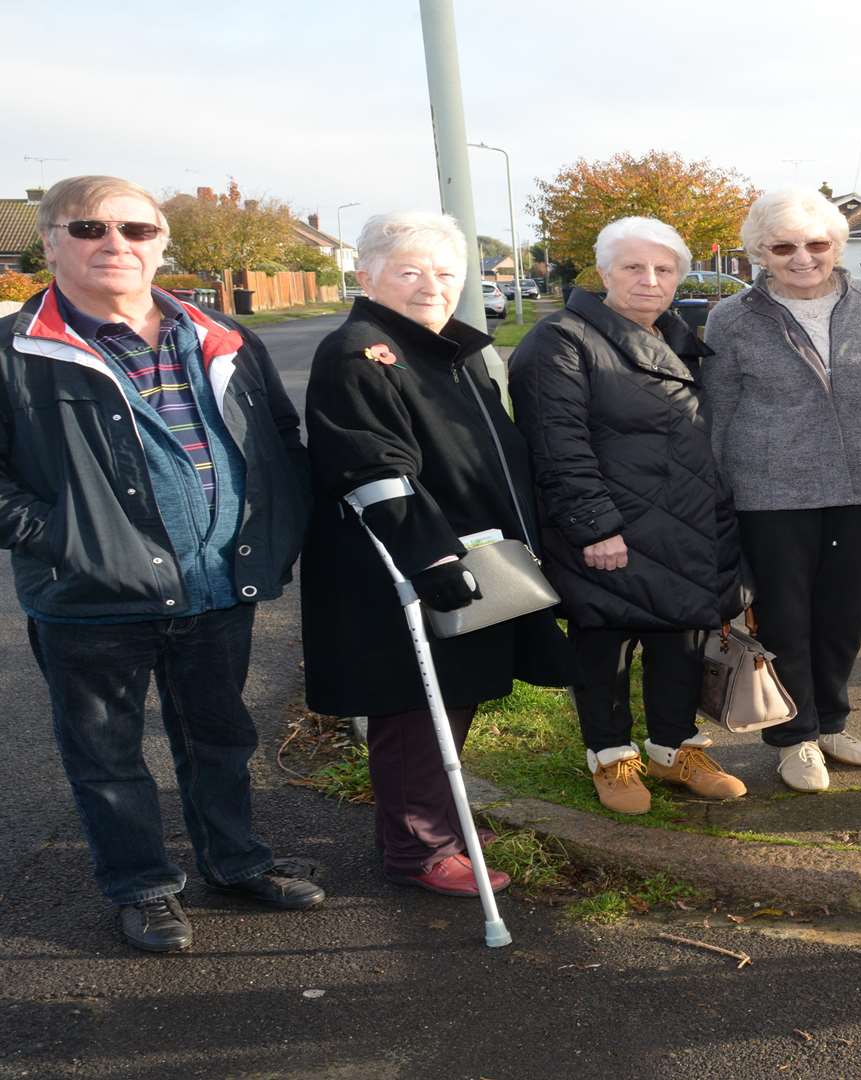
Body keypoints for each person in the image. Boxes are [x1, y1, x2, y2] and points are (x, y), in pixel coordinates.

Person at [0, 175, 322, 953]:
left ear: (161, 244)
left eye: (138, 230)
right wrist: (67, 537)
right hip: (89, 597)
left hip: (217, 585)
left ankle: (236, 862)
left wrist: (273, 533)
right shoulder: (18, 351)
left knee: (219, 738)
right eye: (89, 229)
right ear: (48, 242)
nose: (117, 244)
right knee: (108, 755)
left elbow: (278, 443)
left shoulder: (217, 336)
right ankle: (142, 886)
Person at [303, 211, 573, 894]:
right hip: (413, 568)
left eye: (446, 272)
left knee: (454, 699)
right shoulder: (361, 351)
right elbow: (373, 466)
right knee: (413, 707)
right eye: (410, 270)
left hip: (474, 557)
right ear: (366, 276)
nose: (432, 285)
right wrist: (432, 561)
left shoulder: (441, 348)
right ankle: (417, 850)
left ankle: (439, 822)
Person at [510, 217, 749, 812]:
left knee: (682, 640)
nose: (649, 280)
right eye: (633, 267)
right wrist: (595, 528)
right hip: (611, 526)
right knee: (605, 644)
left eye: (664, 269)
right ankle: (611, 757)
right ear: (603, 272)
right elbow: (556, 444)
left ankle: (674, 749)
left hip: (689, 523)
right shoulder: (561, 340)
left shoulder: (680, 335)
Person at [704, 189, 861, 792]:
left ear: (837, 245)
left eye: (817, 244)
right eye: (784, 247)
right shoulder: (732, 320)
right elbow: (717, 415)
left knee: (845, 615)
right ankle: (794, 738)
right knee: (784, 617)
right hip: (771, 492)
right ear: (760, 254)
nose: (803, 258)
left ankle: (831, 721)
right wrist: (720, 500)